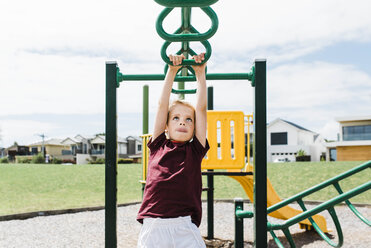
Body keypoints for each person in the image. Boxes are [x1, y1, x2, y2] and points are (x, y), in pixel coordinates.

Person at [137, 53, 209, 248]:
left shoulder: (195, 150)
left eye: (188, 120)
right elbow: (162, 106)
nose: (182, 122)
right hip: (154, 224)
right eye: (176, 118)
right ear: (166, 125)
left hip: (185, 225)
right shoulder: (158, 144)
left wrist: (200, 75)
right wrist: (172, 71)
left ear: (194, 128)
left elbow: (201, 109)